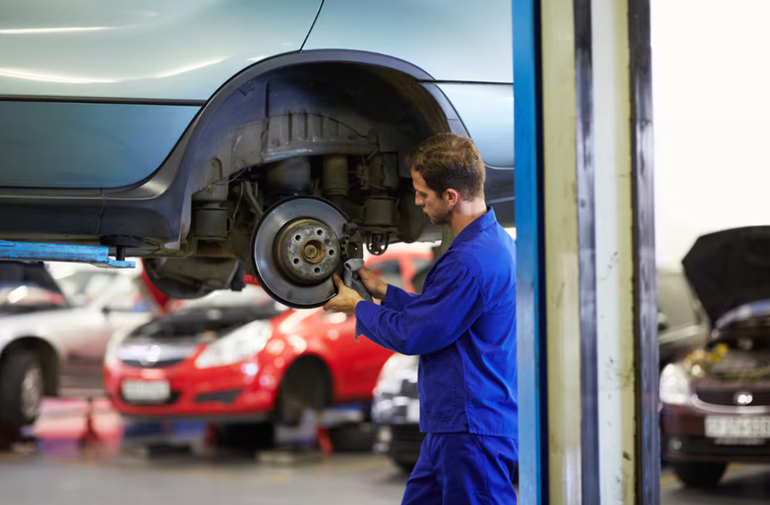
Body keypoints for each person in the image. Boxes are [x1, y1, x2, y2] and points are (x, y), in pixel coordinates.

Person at [324, 133, 517, 505]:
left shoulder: (468, 261)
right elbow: (444, 314)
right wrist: (385, 293)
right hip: (454, 426)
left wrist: (358, 308)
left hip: (470, 428)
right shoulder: (490, 243)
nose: (416, 201)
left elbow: (418, 334)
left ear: (450, 197)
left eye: (423, 193)